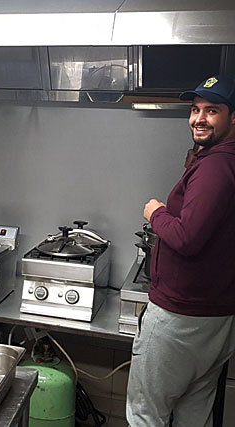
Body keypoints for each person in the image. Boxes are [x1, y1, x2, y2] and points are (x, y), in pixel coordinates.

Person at [126, 75, 235, 426]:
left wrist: (155, 212)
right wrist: (194, 167)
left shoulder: (217, 166)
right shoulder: (220, 161)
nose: (199, 118)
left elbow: (188, 237)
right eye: (195, 109)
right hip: (215, 316)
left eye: (212, 111)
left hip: (180, 318)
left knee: (145, 415)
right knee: (193, 415)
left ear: (234, 118)